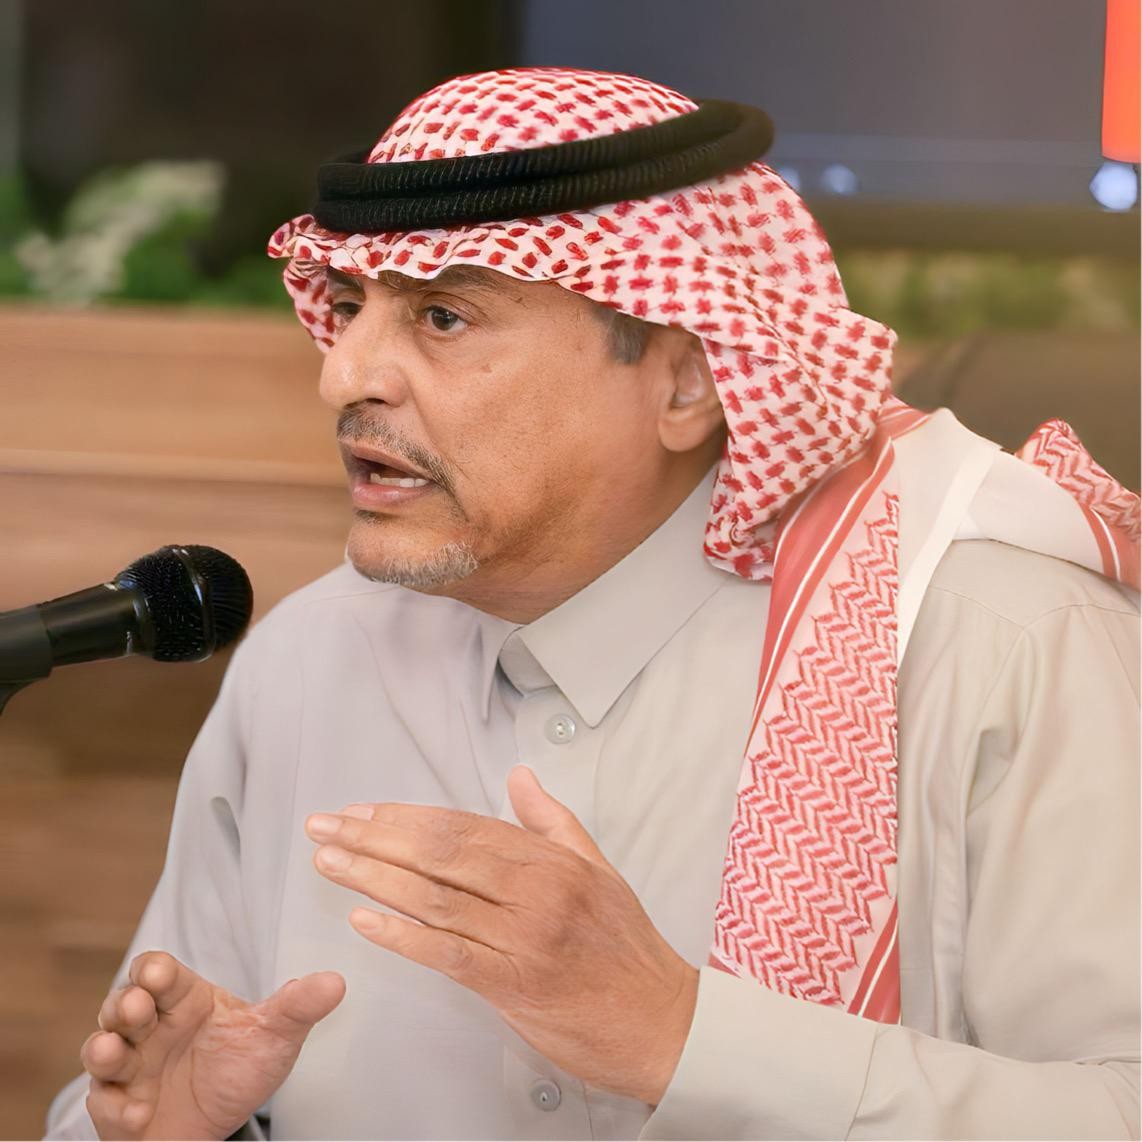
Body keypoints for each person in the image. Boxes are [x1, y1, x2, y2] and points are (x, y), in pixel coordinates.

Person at [46, 67, 1139, 1141]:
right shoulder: (308, 656)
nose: (344, 376)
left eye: (442, 316)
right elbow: (147, 1094)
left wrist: (677, 1033)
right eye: (346, 305)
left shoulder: (993, 646)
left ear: (686, 380)